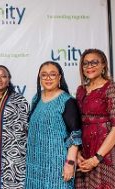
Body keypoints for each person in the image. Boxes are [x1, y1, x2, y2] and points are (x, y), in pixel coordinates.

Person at [75, 49, 115, 189]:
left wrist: (96, 158)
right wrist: (77, 152)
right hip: (85, 150)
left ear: (103, 65)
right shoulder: (80, 90)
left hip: (105, 152)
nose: (89, 66)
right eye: (85, 63)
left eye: (94, 62)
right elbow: (76, 123)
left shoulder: (111, 88)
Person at [25, 61, 82, 189]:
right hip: (35, 163)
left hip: (57, 164)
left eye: (52, 74)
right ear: (39, 78)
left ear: (59, 77)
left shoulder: (67, 101)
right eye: (44, 75)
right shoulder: (36, 99)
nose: (48, 78)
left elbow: (75, 135)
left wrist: (70, 163)